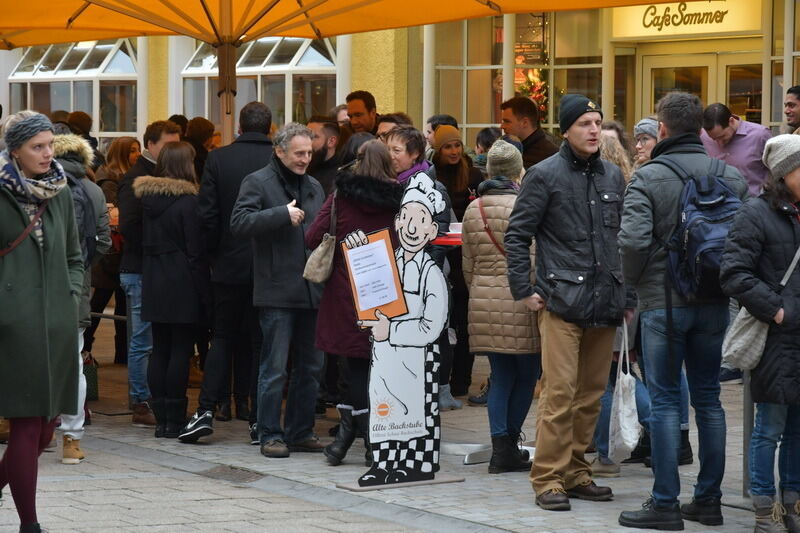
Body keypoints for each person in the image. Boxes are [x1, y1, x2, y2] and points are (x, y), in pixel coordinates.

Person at [618, 91, 748, 530]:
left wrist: (634, 287)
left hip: (662, 304)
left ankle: (665, 504)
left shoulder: (648, 176)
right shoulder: (730, 176)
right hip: (714, 303)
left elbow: (633, 242)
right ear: (698, 127)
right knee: (710, 399)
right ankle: (708, 500)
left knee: (667, 398)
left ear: (663, 129)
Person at [505, 94, 628, 511]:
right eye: (584, 124)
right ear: (565, 130)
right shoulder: (543, 175)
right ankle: (548, 479)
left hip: (605, 301)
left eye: (597, 122)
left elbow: (622, 241)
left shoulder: (613, 176)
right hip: (561, 301)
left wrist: (625, 294)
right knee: (559, 393)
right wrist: (523, 289)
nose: (594, 130)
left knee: (591, 393)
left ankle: (576, 470)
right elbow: (517, 236)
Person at [0, 110, 82, 533]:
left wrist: (72, 294)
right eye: (38, 147)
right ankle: (29, 524)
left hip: (57, 322)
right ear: (15, 150)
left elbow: (74, 255)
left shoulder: (60, 189)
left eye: (51, 145)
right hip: (13, 325)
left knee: (48, 430)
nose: (48, 154)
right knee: (27, 423)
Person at [179, 102, 274, 445]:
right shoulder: (278, 158)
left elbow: (208, 215)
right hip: (268, 264)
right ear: (271, 128)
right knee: (259, 341)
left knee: (222, 337)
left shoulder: (219, 159)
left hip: (229, 262)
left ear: (239, 128)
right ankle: (252, 412)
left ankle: (206, 408)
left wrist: (213, 253)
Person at [306, 140, 405, 466]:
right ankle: (351, 440)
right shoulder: (401, 200)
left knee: (354, 368)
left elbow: (313, 236)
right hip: (387, 293)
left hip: (346, 291)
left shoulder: (340, 197)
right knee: (375, 368)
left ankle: (368, 443)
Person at [231, 123, 327, 458]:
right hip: (276, 290)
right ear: (280, 151)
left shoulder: (314, 186)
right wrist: (279, 215)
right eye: (299, 153)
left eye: (309, 153)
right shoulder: (258, 182)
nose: (305, 159)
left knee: (311, 366)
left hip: (312, 289)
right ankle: (270, 433)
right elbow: (239, 223)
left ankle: (301, 431)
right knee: (275, 368)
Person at [720, 134, 800, 533]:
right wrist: (777, 310)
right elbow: (734, 272)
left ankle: (793, 503)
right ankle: (764, 509)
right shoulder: (755, 214)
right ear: (785, 173)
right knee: (769, 427)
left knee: (798, 429)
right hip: (775, 337)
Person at [352, 171, 449, 486]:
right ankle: (383, 464)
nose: (410, 226)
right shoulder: (386, 261)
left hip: (419, 359)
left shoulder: (431, 273)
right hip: (386, 360)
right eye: (405, 217)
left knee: (419, 413)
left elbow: (432, 326)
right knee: (386, 411)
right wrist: (358, 252)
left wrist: (391, 332)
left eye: (420, 219)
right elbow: (372, 300)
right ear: (396, 222)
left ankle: (417, 465)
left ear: (432, 229)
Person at [462, 139, 540, 474]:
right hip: (523, 301)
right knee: (528, 376)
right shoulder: (527, 204)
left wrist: (479, 292)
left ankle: (499, 449)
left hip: (483, 300)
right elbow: (534, 259)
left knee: (500, 376)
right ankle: (509, 443)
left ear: (490, 170)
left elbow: (468, 265)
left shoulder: (473, 208)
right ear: (518, 169)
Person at [133, 142, 208, 439]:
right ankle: (175, 419)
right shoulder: (189, 202)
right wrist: (205, 292)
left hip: (154, 278)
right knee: (180, 349)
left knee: (159, 347)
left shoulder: (146, 201)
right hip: (182, 280)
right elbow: (196, 251)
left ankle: (161, 417)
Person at [118, 119, 182, 427]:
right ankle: (140, 400)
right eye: (168, 145)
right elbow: (129, 225)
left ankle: (146, 397)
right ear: (151, 144)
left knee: (150, 338)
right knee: (142, 339)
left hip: (151, 268)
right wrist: (160, 244)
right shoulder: (137, 177)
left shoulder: (157, 175)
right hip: (139, 267)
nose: (172, 151)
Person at [54, 132, 112, 465]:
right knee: (74, 362)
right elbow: (102, 241)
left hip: (36, 288)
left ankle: (34, 428)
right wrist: (80, 270)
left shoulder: (32, 185)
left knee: (35, 359)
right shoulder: (92, 190)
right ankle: (72, 439)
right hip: (75, 288)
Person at [430, 125, 483, 402]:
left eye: (457, 145)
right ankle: (441, 380)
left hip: (466, 254)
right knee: (444, 323)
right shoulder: (431, 176)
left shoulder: (472, 174)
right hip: (443, 255)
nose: (453, 151)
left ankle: (462, 380)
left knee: (465, 323)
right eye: (447, 146)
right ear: (439, 149)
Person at [84, 136, 140, 364]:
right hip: (111, 254)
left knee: (118, 303)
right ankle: (86, 347)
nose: (137, 154)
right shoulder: (110, 181)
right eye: (133, 150)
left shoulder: (122, 177)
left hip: (117, 254)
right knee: (101, 302)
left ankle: (121, 353)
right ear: (122, 153)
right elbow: (111, 218)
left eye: (138, 149)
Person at [701, 103, 771, 197]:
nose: (720, 143)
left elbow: (775, 172)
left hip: (753, 204)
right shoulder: (703, 136)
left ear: (731, 121)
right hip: (717, 204)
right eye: (714, 139)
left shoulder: (760, 135)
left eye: (722, 137)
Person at [500, 96, 558, 170]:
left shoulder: (550, 157)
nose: (502, 126)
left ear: (525, 122)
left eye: (507, 121)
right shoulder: (511, 149)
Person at [307, 116, 341, 196]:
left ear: (331, 141)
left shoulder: (340, 178)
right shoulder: (303, 167)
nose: (307, 142)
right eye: (306, 136)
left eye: (313, 137)